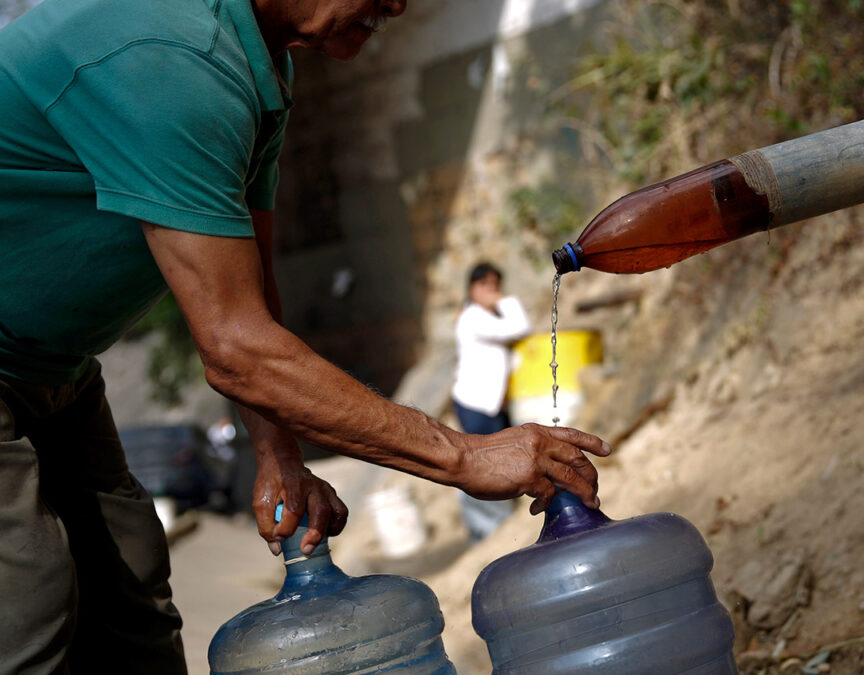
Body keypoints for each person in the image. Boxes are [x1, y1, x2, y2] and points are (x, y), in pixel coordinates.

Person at [0, 0, 609, 672]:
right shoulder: (172, 55)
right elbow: (235, 348)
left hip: (55, 367)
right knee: (27, 609)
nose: (399, 4)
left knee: (132, 597)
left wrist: (277, 454)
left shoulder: (257, 65)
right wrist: (464, 456)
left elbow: (251, 296)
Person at [451, 262, 531, 543]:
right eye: (487, 287)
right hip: (475, 405)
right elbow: (521, 327)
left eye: (496, 287)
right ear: (473, 289)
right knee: (478, 463)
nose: (493, 293)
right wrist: (506, 300)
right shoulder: (473, 318)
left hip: (491, 405)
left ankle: (498, 523)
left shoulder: (488, 319)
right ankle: (485, 530)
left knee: (494, 459)